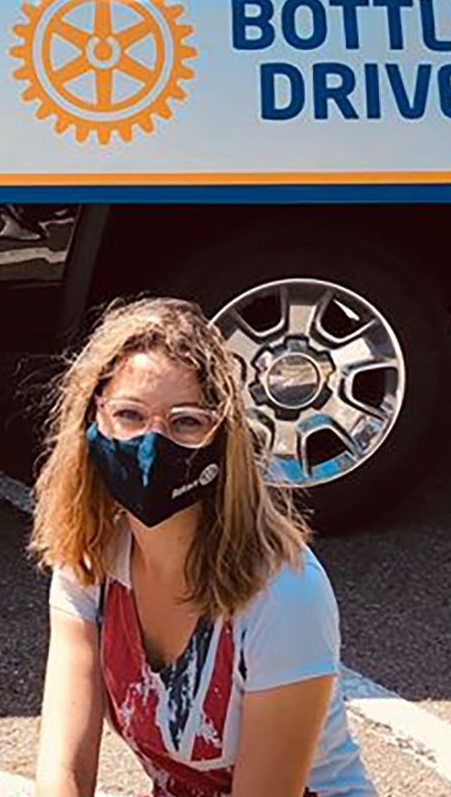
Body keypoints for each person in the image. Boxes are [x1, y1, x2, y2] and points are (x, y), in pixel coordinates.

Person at [32, 298, 375, 797]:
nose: (153, 444)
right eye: (129, 415)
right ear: (92, 421)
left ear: (223, 438)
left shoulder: (284, 593)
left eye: (186, 422)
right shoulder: (90, 557)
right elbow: (61, 771)